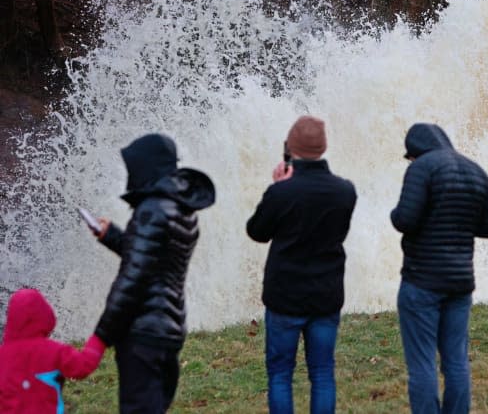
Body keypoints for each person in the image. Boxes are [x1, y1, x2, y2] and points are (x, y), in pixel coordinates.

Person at [90, 133, 215, 413]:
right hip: (169, 329)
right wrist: (112, 236)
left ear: (146, 167)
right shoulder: (182, 208)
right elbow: (151, 261)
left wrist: (101, 336)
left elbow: (133, 278)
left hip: (143, 333)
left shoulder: (151, 210)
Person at [246, 115, 357, 414]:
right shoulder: (345, 191)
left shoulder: (282, 191)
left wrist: (277, 188)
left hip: (285, 295)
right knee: (322, 373)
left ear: (291, 147)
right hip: (326, 293)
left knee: (281, 374)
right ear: (323, 147)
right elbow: (339, 233)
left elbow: (257, 232)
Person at [390, 122, 488, 414]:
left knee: (423, 363)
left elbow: (405, 219)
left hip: (422, 280)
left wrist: (395, 214)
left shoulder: (422, 168)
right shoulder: (475, 170)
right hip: (460, 282)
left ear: (415, 152)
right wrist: (457, 223)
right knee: (456, 362)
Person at [0, 288, 106, 413]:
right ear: (44, 315)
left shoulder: (2, 356)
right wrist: (100, 337)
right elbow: (83, 366)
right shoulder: (54, 351)